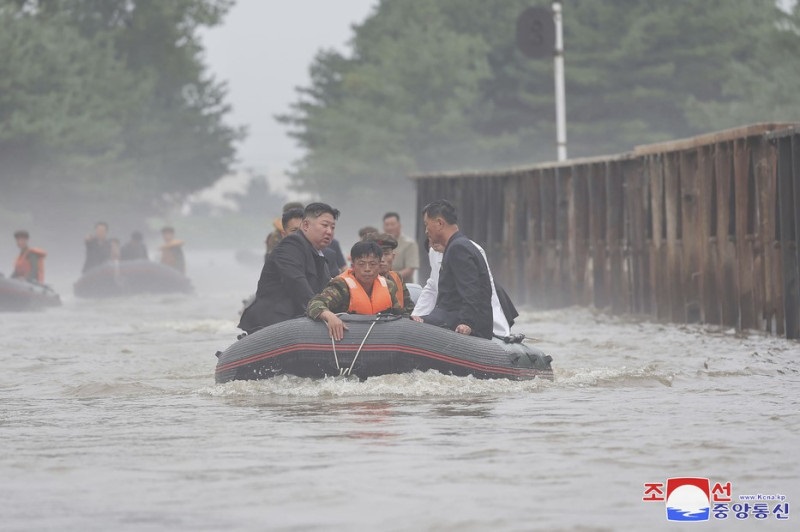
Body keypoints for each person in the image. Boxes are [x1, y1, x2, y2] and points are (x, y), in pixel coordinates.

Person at [238, 202, 339, 333]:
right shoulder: (291, 245)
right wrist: (322, 311)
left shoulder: (320, 254)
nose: (329, 231)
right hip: (272, 323)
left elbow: (328, 289)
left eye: (332, 227)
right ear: (306, 225)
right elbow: (296, 282)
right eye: (325, 225)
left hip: (299, 321)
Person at [411, 200, 493, 339]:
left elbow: (471, 290)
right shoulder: (457, 245)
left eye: (426, 225)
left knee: (413, 328)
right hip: (448, 315)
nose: (426, 231)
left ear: (439, 223)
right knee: (413, 321)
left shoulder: (458, 248)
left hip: (459, 321)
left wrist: (467, 322)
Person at [412, 238, 512, 338]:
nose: (433, 245)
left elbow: (486, 290)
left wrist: (498, 330)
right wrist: (417, 315)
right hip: (451, 310)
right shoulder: (433, 251)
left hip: (481, 304)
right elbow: (432, 285)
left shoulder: (470, 249)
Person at [307, 241, 407, 341]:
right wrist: (330, 317)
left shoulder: (389, 286)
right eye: (361, 264)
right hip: (347, 340)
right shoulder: (342, 285)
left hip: (380, 339)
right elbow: (315, 303)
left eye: (372, 264)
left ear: (379, 265)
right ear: (353, 265)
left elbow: (400, 315)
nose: (367, 269)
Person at [363, 232, 415, 314]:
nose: (382, 259)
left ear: (393, 256)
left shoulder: (397, 277)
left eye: (386, 254)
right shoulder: (362, 280)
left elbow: (409, 308)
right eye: (377, 254)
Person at [382, 212, 419, 283]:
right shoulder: (379, 243)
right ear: (383, 227)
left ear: (399, 225)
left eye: (392, 224)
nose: (390, 227)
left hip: (403, 285)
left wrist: (389, 278)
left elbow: (410, 270)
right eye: (387, 225)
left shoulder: (409, 244)